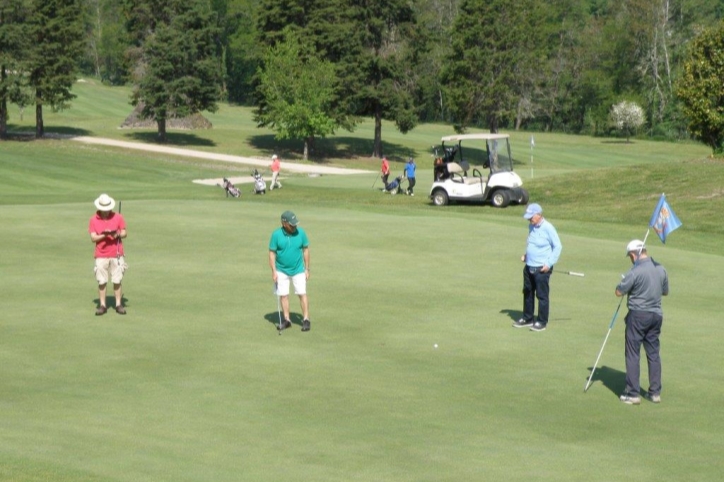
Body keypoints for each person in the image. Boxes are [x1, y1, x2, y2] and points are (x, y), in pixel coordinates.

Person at [616, 240, 668, 405]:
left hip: (638, 315)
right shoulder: (661, 268)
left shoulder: (635, 271)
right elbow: (665, 291)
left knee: (633, 353)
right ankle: (654, 393)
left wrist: (631, 286)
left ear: (633, 254)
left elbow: (618, 292)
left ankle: (633, 393)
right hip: (656, 316)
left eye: (630, 256)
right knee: (653, 353)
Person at [513, 203, 562, 332]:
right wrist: (526, 255)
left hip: (542, 268)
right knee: (527, 292)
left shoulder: (548, 228)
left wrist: (549, 263)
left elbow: (558, 247)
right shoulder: (531, 226)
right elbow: (533, 243)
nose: (529, 219)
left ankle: (541, 321)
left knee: (542, 296)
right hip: (529, 265)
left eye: (531, 217)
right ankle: (528, 318)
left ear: (539, 215)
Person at [269, 211, 311, 332]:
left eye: (295, 224)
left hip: (298, 269)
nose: (294, 227)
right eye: (292, 225)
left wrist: (307, 269)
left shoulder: (301, 233)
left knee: (301, 293)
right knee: (283, 295)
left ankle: (306, 319)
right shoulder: (276, 235)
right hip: (281, 270)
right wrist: (274, 271)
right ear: (284, 223)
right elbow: (272, 253)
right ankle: (287, 320)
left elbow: (306, 250)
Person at [88, 193, 127, 315]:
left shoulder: (118, 217)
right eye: (104, 209)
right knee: (102, 281)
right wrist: (104, 235)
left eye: (108, 209)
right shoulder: (93, 220)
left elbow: (125, 233)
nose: (106, 212)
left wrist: (118, 234)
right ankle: (103, 305)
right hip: (101, 254)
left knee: (117, 280)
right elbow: (93, 238)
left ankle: (118, 305)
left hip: (116, 253)